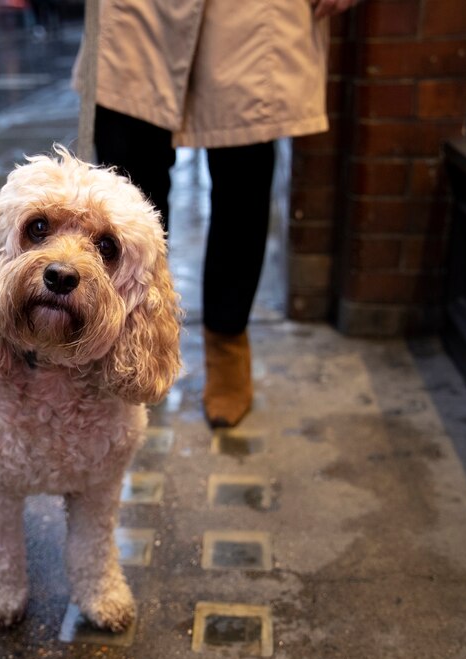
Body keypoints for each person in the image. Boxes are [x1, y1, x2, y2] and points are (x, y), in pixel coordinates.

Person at [74, 0, 360, 427]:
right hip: (138, 12)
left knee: (242, 179)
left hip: (248, 14)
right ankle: (124, 347)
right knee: (127, 189)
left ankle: (227, 345)